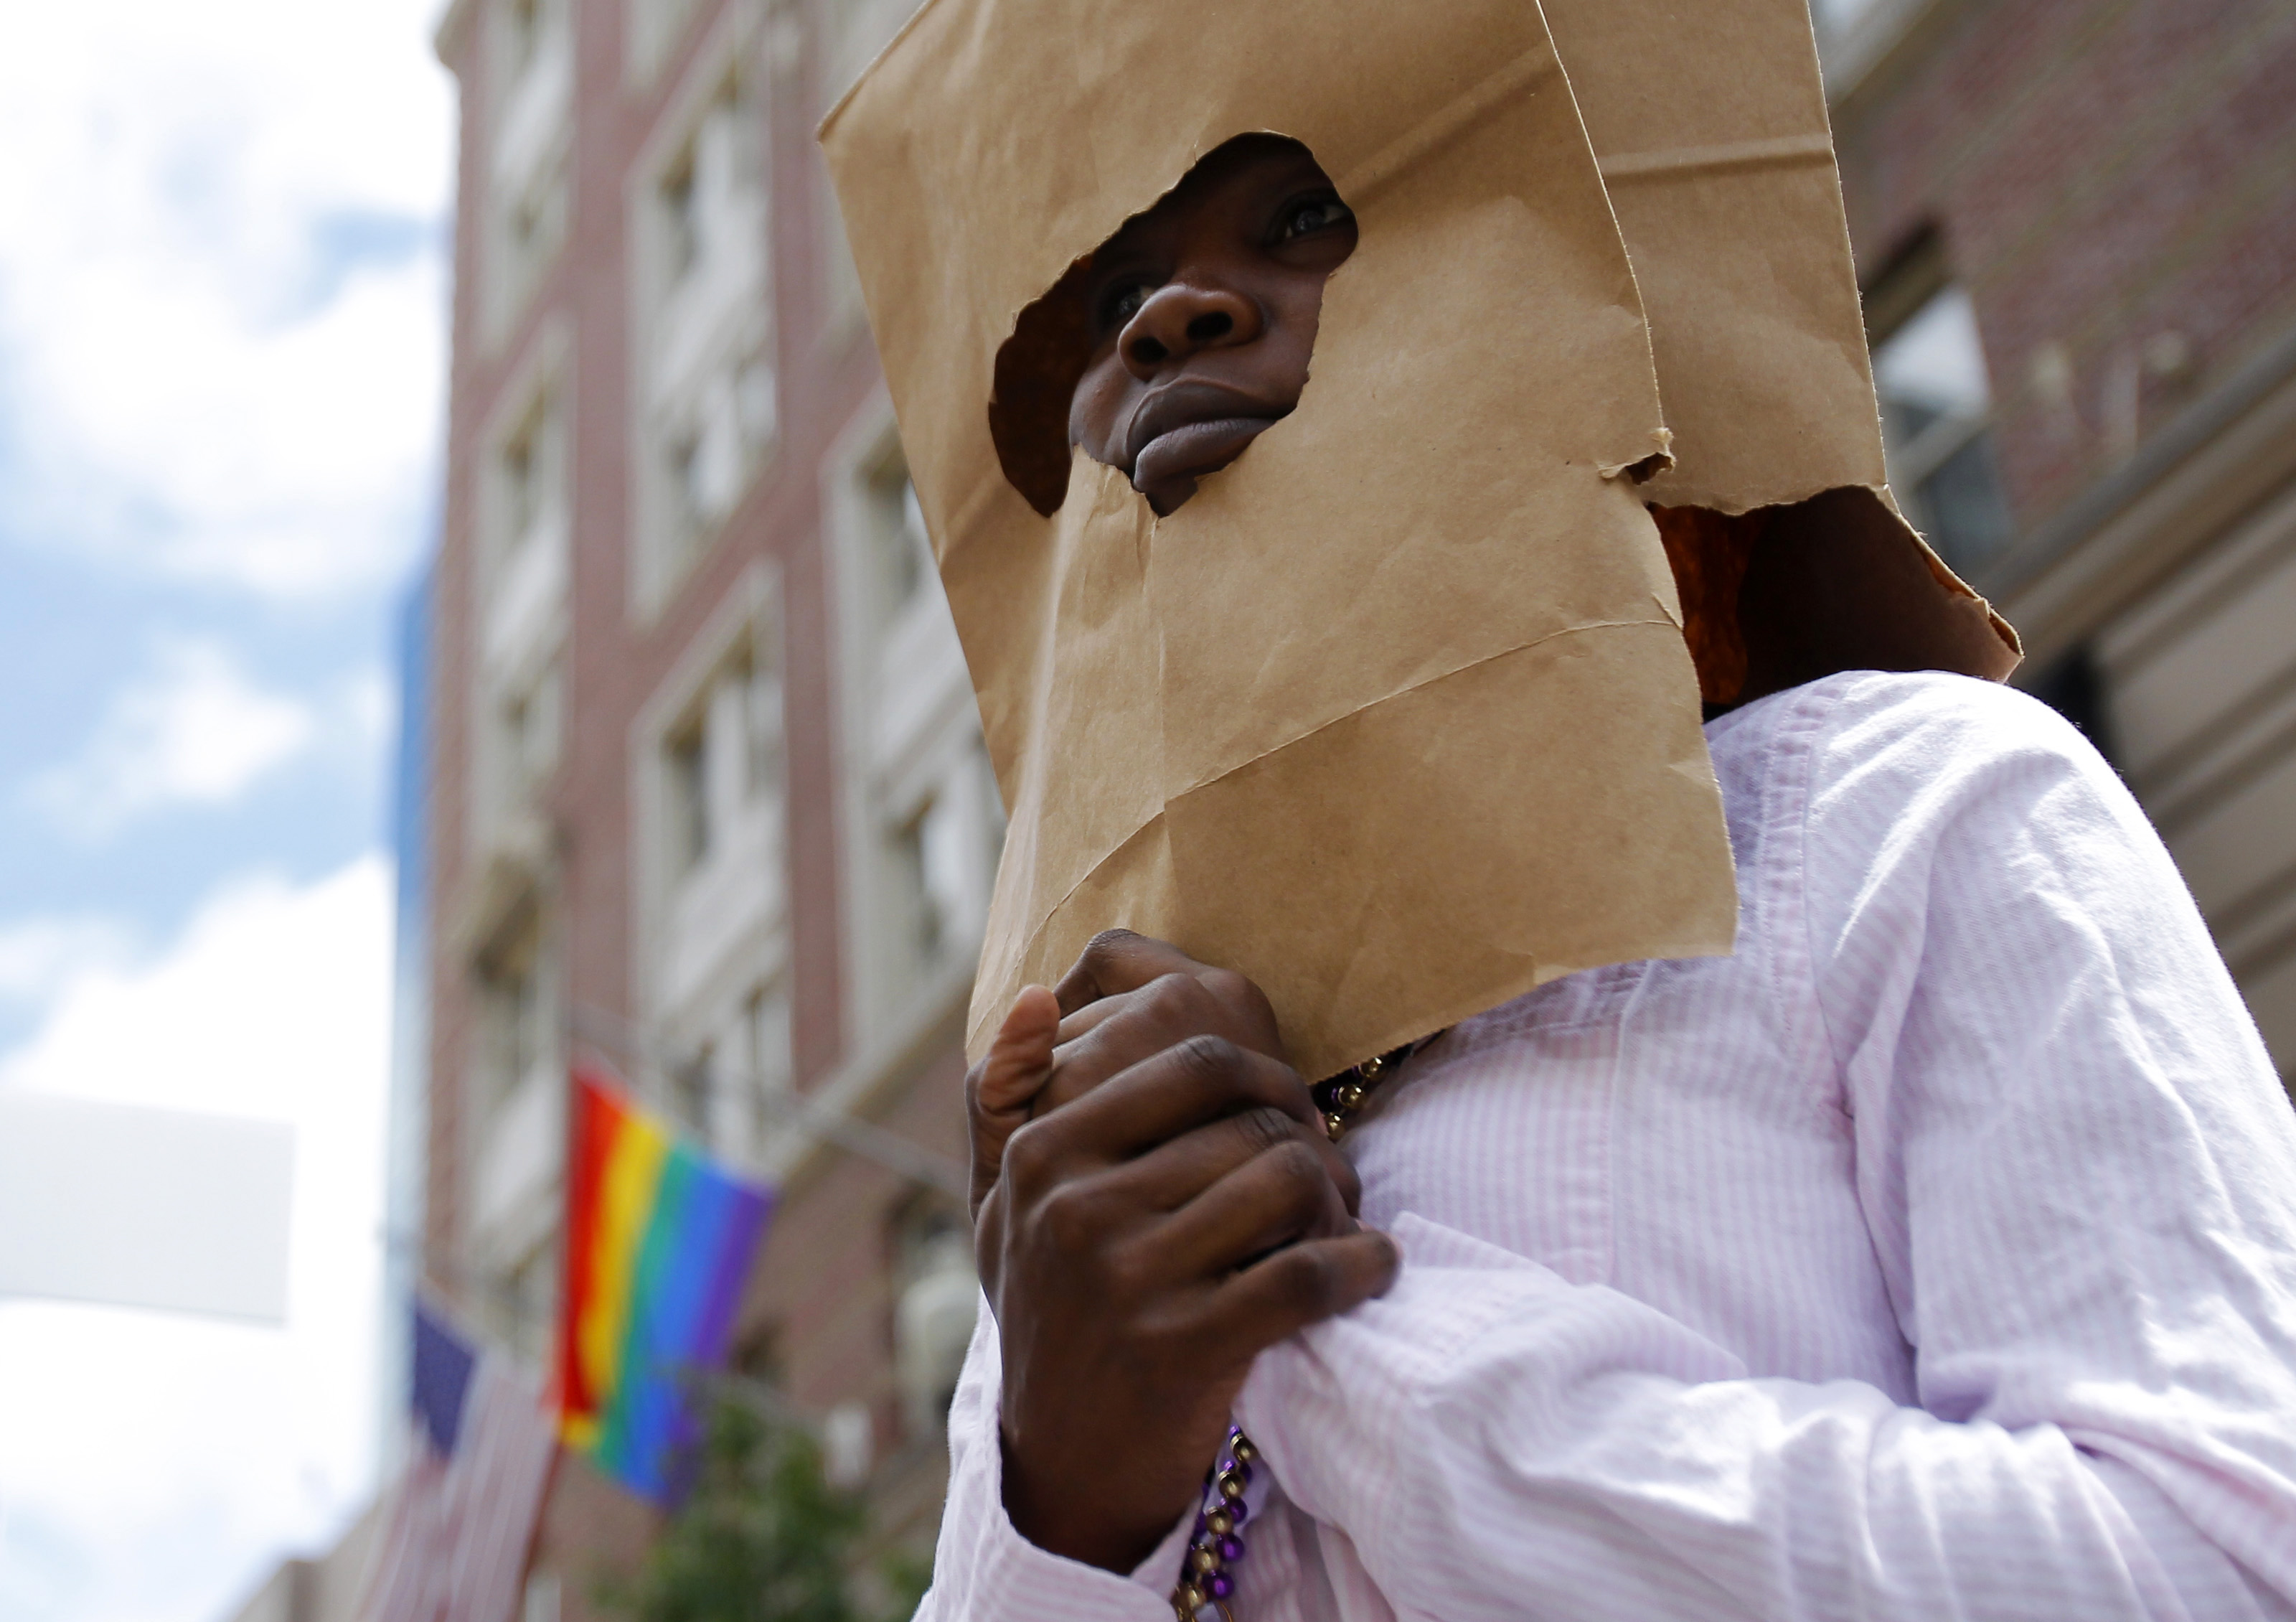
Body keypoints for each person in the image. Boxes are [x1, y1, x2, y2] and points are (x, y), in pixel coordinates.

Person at [916, 134, 2296, 1621]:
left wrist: (1316, 1333)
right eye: (1116, 286)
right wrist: (1065, 1491)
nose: (1167, 313)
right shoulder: (1096, 1149)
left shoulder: (1895, 808)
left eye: (1307, 215)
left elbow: (2212, 1557)